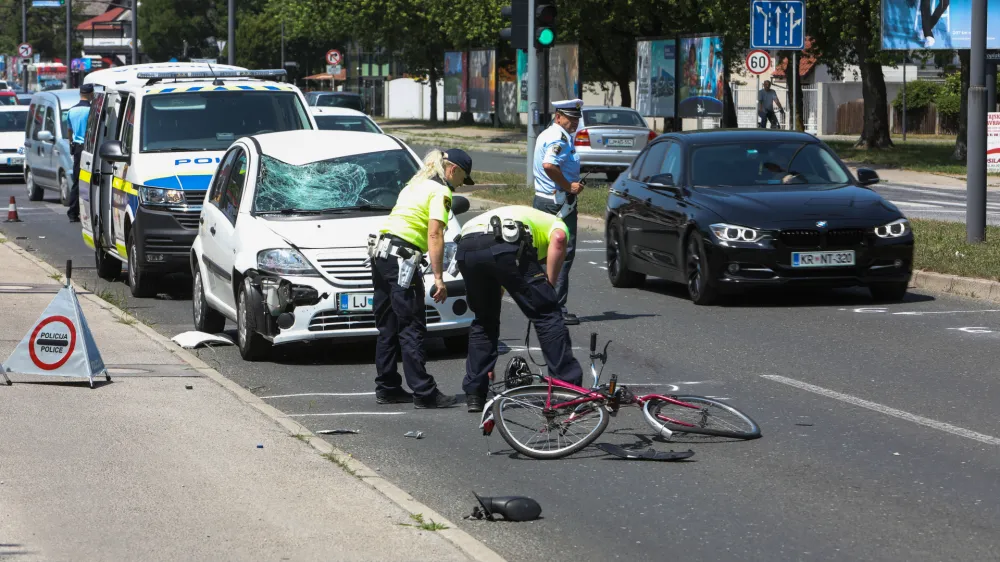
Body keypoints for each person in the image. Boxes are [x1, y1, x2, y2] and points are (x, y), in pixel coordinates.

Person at [370, 148, 474, 409]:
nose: (461, 184)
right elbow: (435, 234)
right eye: (463, 178)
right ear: (453, 170)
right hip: (403, 259)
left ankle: (388, 386)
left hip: (381, 255)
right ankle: (424, 392)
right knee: (412, 327)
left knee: (387, 325)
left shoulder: (414, 185)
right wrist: (438, 278)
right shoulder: (441, 191)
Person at [457, 205, 584, 412]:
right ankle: (567, 387)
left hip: (467, 247)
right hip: (506, 243)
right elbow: (559, 239)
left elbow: (501, 275)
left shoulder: (522, 214)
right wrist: (549, 287)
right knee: (548, 314)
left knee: (484, 320)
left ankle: (475, 392)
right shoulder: (556, 223)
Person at [532, 98, 583, 326]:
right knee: (562, 254)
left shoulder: (547, 134)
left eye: (576, 119)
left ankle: (540, 303)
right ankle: (555, 307)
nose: (574, 122)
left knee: (544, 254)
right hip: (558, 203)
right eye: (571, 118)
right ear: (558, 116)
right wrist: (568, 185)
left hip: (545, 201)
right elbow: (549, 165)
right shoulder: (558, 138)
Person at [65, 83, 94, 223]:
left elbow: (69, 131)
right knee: (92, 179)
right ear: (91, 94)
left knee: (77, 180)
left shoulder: (71, 111)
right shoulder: (92, 110)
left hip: (77, 147)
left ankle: (73, 211)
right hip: (89, 147)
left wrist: (71, 143)